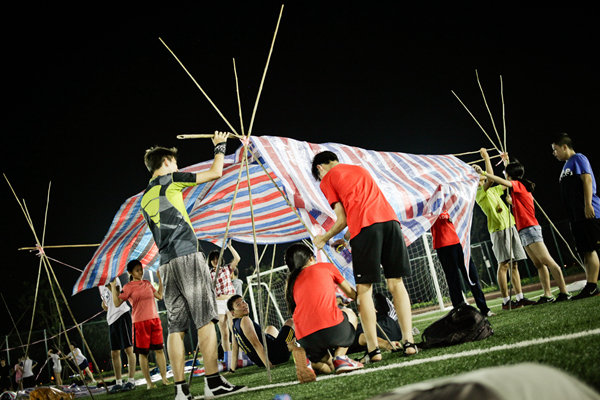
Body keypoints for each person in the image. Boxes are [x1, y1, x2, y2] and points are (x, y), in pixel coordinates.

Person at [140, 133, 246, 400]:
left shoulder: (144, 198)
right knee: (205, 319)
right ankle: (213, 383)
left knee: (175, 327)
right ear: (166, 161)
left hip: (166, 264)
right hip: (187, 256)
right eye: (176, 162)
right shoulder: (171, 179)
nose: (178, 167)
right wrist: (219, 146)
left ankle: (180, 391)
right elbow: (215, 172)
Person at [311, 151, 417, 362]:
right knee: (396, 283)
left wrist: (324, 237)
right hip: (390, 224)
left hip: (366, 229)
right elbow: (363, 208)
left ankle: (373, 349)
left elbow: (341, 220)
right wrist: (348, 238)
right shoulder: (360, 169)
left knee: (364, 290)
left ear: (320, 168)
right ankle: (409, 342)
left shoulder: (328, 179)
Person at [473, 159, 570, 303]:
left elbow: (500, 180)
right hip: (519, 230)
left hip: (528, 228)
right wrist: (505, 164)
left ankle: (564, 292)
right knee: (538, 264)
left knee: (546, 261)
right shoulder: (481, 192)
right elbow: (504, 180)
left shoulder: (517, 184)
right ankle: (547, 294)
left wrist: (485, 170)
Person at [285, 243, 364, 375]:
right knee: (350, 314)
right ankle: (340, 356)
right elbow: (351, 294)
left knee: (331, 368)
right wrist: (361, 296)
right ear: (311, 258)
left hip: (306, 337)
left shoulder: (290, 284)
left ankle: (313, 363)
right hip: (332, 329)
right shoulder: (326, 267)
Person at [476, 148, 536, 309]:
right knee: (503, 265)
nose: (483, 177)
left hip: (510, 226)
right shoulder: (479, 193)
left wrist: (506, 162)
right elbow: (489, 176)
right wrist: (486, 158)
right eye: (480, 177)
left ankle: (520, 297)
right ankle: (505, 301)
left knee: (514, 264)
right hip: (498, 230)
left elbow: (508, 180)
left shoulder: (494, 189)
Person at [552, 133, 600, 299]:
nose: (554, 153)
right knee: (585, 250)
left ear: (564, 147)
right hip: (576, 216)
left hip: (587, 212)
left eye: (555, 149)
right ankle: (590, 285)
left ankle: (593, 286)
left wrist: (587, 205)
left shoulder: (578, 158)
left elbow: (587, 180)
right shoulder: (566, 165)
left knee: (591, 248)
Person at [110, 260, 169, 389]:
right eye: (137, 270)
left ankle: (164, 379)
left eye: (141, 269)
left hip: (154, 320)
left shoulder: (148, 283)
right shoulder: (128, 287)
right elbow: (116, 303)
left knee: (159, 350)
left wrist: (160, 280)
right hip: (139, 323)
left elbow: (159, 296)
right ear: (130, 272)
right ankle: (149, 383)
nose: (141, 272)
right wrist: (114, 288)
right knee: (143, 354)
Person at [431, 210, 494, 316]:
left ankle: (484, 309)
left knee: (472, 276)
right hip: (443, 245)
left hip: (460, 242)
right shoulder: (431, 202)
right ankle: (460, 313)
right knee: (453, 281)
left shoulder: (452, 201)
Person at [227, 295, 299, 376]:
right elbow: (256, 344)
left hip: (260, 361)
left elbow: (234, 347)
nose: (244, 304)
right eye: (238, 304)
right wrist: (269, 365)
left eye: (243, 301)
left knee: (270, 328)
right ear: (233, 312)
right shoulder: (245, 320)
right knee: (291, 321)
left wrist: (232, 370)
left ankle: (288, 341)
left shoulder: (234, 326)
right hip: (278, 356)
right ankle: (298, 344)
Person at [100, 277, 137, 393]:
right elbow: (106, 305)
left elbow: (118, 296)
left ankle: (131, 381)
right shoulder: (100, 285)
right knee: (114, 352)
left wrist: (111, 286)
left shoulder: (113, 277)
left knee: (128, 349)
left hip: (122, 314)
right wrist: (103, 304)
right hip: (111, 320)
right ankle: (118, 383)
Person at [208, 242, 240, 366]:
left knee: (234, 329)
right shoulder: (209, 274)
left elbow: (237, 258)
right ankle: (229, 358)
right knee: (224, 333)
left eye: (217, 259)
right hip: (218, 303)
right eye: (213, 259)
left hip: (230, 301)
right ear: (210, 261)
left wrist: (230, 247)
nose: (215, 261)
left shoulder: (227, 268)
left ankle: (240, 356)